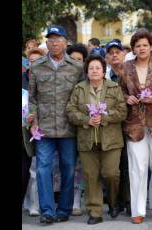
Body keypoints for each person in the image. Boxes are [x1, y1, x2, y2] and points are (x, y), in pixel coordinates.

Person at [28, 25, 84, 224]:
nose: (54, 43)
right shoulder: (36, 66)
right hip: (44, 128)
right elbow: (32, 98)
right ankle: (47, 211)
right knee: (44, 169)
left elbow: (82, 96)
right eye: (50, 39)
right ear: (47, 43)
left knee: (68, 168)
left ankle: (64, 209)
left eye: (58, 39)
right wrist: (33, 121)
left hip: (69, 128)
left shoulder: (77, 67)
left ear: (65, 42)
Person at [117, 28, 152, 224]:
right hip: (134, 125)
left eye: (145, 45)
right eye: (138, 45)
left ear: (151, 47)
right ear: (133, 48)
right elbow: (117, 93)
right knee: (137, 168)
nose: (141, 48)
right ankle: (137, 210)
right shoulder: (124, 67)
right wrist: (126, 98)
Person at [66, 54, 127, 225]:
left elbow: (122, 111)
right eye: (91, 68)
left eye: (98, 68)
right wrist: (87, 120)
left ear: (103, 71)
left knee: (111, 173)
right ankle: (95, 211)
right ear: (86, 71)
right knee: (90, 175)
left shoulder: (114, 87)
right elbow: (70, 111)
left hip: (111, 139)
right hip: (87, 140)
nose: (94, 71)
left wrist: (104, 117)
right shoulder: (79, 89)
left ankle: (114, 201)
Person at [104, 38, 132, 216]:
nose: (114, 55)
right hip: (109, 126)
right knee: (113, 168)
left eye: (117, 52)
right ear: (106, 57)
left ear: (124, 54)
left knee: (128, 165)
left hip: (130, 124)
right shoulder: (102, 75)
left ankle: (129, 201)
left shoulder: (131, 72)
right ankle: (114, 202)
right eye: (111, 53)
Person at [66, 42, 88, 216]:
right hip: (65, 129)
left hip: (84, 128)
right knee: (67, 166)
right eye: (72, 59)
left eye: (79, 60)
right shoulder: (61, 77)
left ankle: (77, 200)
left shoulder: (90, 81)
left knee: (81, 167)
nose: (75, 62)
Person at [22, 48, 45, 216]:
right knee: (26, 171)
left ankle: (35, 203)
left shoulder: (47, 80)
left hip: (43, 130)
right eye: (31, 61)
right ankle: (27, 201)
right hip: (24, 133)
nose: (34, 64)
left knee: (38, 170)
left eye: (37, 61)